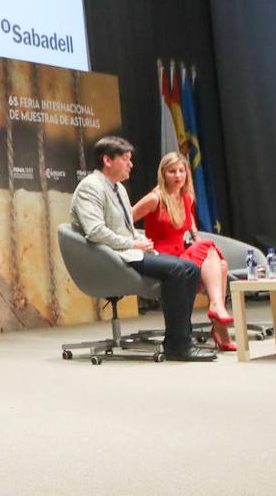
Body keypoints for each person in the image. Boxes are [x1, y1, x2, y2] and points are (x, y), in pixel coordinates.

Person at [70, 136, 213, 361]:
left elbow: (125, 228)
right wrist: (133, 243)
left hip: (129, 251)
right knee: (177, 270)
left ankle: (179, 340)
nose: (131, 164)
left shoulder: (119, 189)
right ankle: (179, 347)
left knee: (191, 269)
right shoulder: (90, 187)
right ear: (107, 160)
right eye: (125, 159)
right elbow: (96, 231)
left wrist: (140, 240)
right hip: (112, 256)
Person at [133, 152, 235, 351]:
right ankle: (219, 321)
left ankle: (218, 317)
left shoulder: (186, 196)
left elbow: (191, 225)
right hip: (162, 258)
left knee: (220, 264)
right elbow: (125, 218)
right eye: (172, 172)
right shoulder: (155, 198)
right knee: (212, 253)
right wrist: (136, 240)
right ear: (163, 174)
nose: (178, 176)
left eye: (182, 171)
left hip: (182, 255)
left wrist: (199, 240)